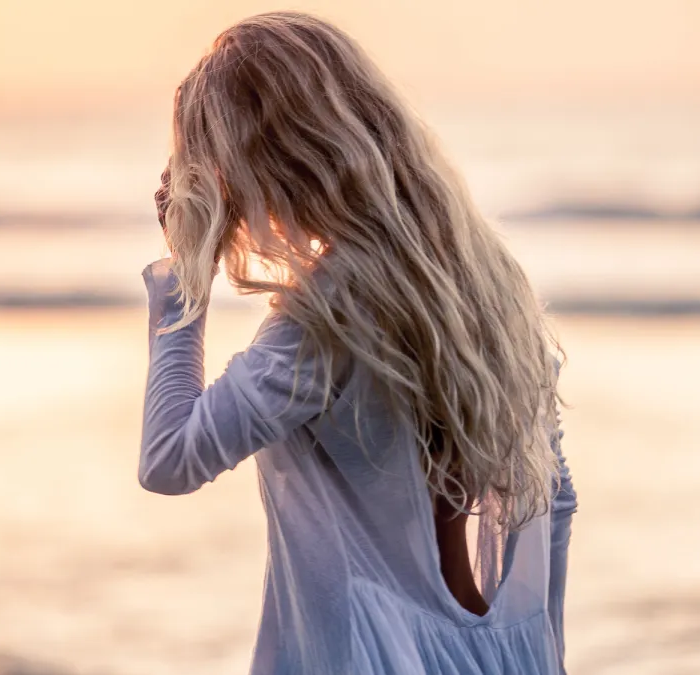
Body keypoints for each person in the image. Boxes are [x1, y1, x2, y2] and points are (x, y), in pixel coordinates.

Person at [139, 11, 577, 674]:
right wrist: (544, 649)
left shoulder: (323, 323)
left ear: (269, 161)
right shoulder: (489, 286)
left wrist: (187, 271)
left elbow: (169, 459)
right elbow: (557, 495)